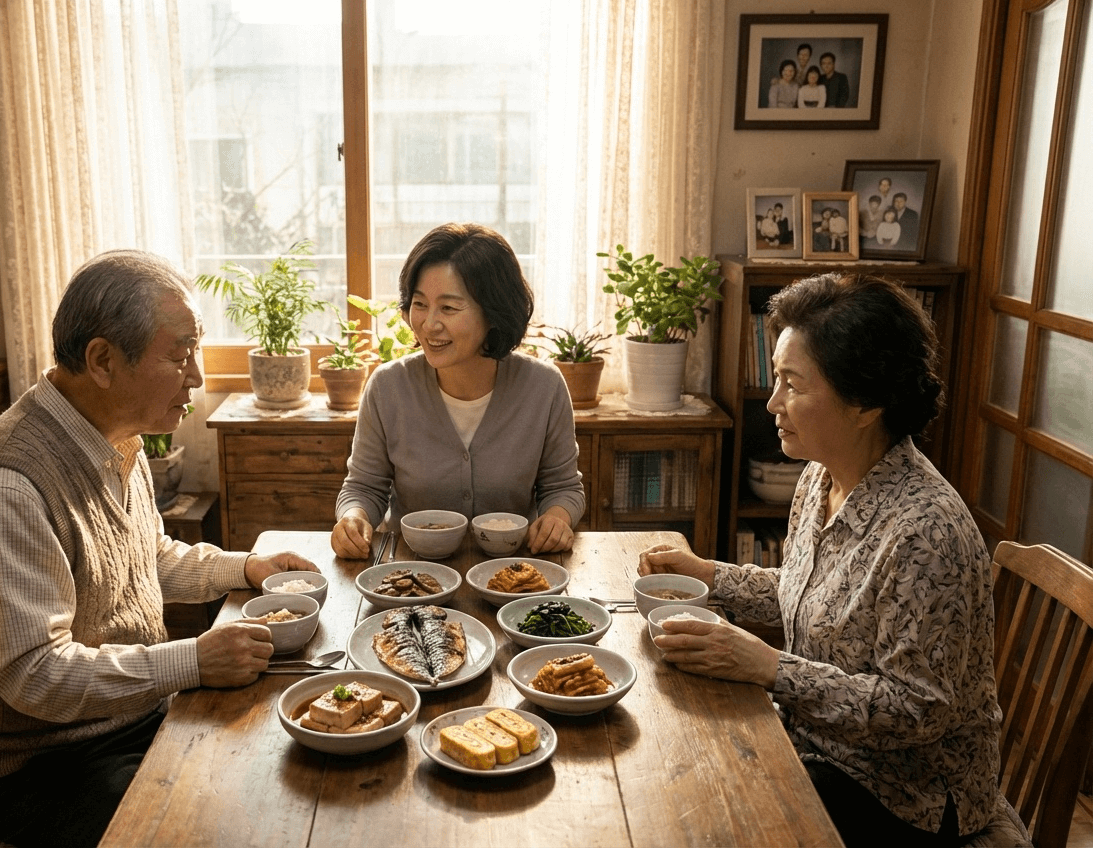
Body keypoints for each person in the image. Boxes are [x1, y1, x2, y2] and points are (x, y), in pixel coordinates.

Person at [0, 250, 319, 848]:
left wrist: (246, 567)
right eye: (180, 354)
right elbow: (33, 676)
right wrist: (192, 661)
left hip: (120, 721)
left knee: (273, 762)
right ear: (102, 361)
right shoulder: (9, 486)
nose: (195, 375)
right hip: (38, 765)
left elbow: (145, 558)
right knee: (220, 827)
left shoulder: (116, 437)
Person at [639, 273, 1000, 846]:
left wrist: (768, 666)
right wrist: (711, 574)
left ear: (865, 403)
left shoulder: (926, 534)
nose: (774, 403)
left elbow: (915, 711)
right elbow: (811, 591)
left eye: (793, 385)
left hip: (906, 796)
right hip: (818, 743)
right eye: (776, 380)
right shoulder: (820, 475)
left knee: (711, 811)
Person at [331, 222, 584, 559]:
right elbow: (363, 487)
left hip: (513, 573)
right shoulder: (387, 387)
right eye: (419, 304)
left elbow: (563, 487)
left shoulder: (544, 386)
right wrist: (353, 518)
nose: (429, 324)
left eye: (448, 308)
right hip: (410, 576)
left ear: (493, 313)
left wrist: (556, 518)